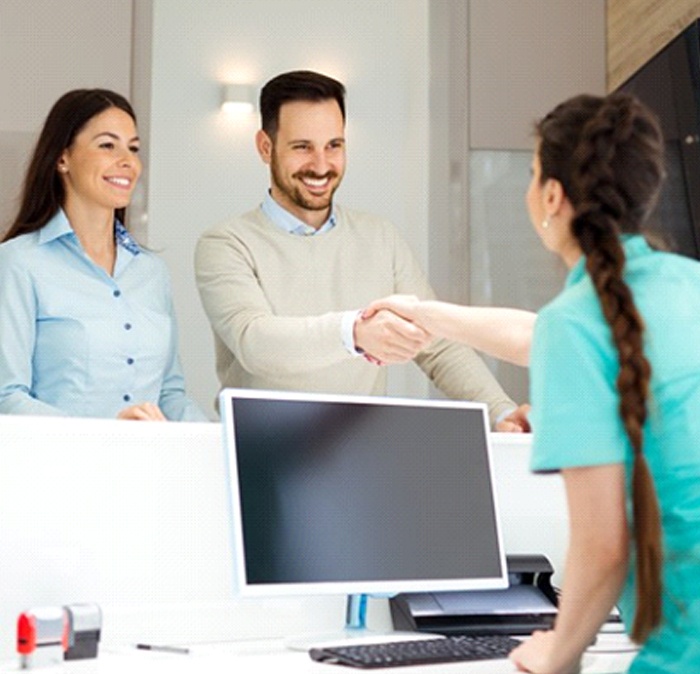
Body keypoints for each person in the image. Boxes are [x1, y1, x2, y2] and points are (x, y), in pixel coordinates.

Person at [368, 92, 700, 673]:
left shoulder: (577, 325)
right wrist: (427, 314)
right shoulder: (684, 284)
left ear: (551, 196)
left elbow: (601, 548)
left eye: (530, 174)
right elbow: (542, 335)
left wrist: (557, 651)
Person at [194, 70, 527, 430]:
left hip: (359, 451)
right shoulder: (226, 244)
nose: (321, 166)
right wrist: (354, 332)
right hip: (259, 452)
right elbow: (255, 343)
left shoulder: (381, 238)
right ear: (265, 147)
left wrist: (500, 412)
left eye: (334, 145)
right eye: (302, 147)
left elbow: (438, 345)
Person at [0, 89, 207, 421]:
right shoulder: (18, 263)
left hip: (147, 468)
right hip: (56, 468)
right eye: (108, 145)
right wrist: (106, 435)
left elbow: (170, 394)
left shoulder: (151, 272)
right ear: (62, 157)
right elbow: (7, 397)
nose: (128, 161)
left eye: (133, 148)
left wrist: (218, 442)